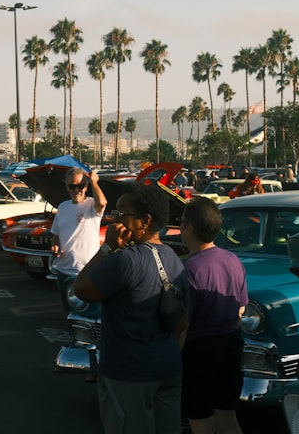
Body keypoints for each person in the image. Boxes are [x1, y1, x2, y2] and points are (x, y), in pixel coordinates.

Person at [73, 186, 188, 434]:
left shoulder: (124, 260)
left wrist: (107, 248)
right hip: (168, 368)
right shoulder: (174, 258)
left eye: (122, 214)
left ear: (144, 221)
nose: (115, 220)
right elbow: (181, 324)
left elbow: (80, 288)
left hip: (129, 373)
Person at [179, 197, 248, 434]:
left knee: (201, 421)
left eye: (181, 223)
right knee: (228, 420)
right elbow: (241, 308)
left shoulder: (189, 269)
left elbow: (184, 323)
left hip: (200, 353)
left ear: (189, 228)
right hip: (231, 346)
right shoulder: (233, 260)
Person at [50, 167, 107, 311]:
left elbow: (102, 203)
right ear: (67, 188)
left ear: (86, 187)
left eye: (80, 186)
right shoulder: (62, 207)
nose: (77, 190)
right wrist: (55, 246)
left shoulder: (91, 206)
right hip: (63, 271)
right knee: (69, 312)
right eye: (72, 186)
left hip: (86, 271)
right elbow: (55, 234)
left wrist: (94, 182)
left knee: (89, 314)